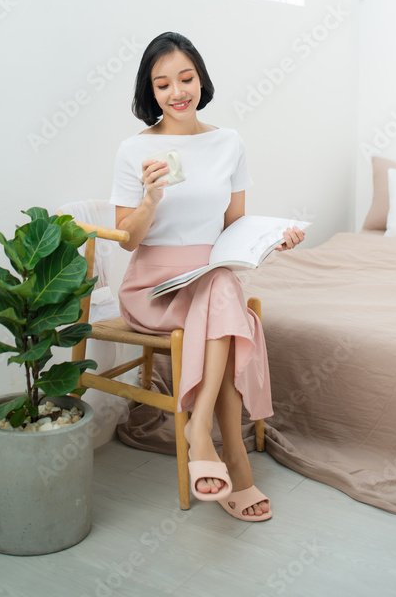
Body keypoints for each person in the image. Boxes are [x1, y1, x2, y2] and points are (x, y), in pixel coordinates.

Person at [109, 31, 305, 521]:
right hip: (152, 285)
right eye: (162, 84)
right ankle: (231, 458)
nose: (177, 92)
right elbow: (127, 240)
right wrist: (151, 198)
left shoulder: (228, 143)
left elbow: (234, 228)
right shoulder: (134, 150)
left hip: (207, 274)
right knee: (224, 298)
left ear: (201, 80)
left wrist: (272, 239)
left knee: (220, 288)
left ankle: (201, 435)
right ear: (148, 93)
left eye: (186, 78)